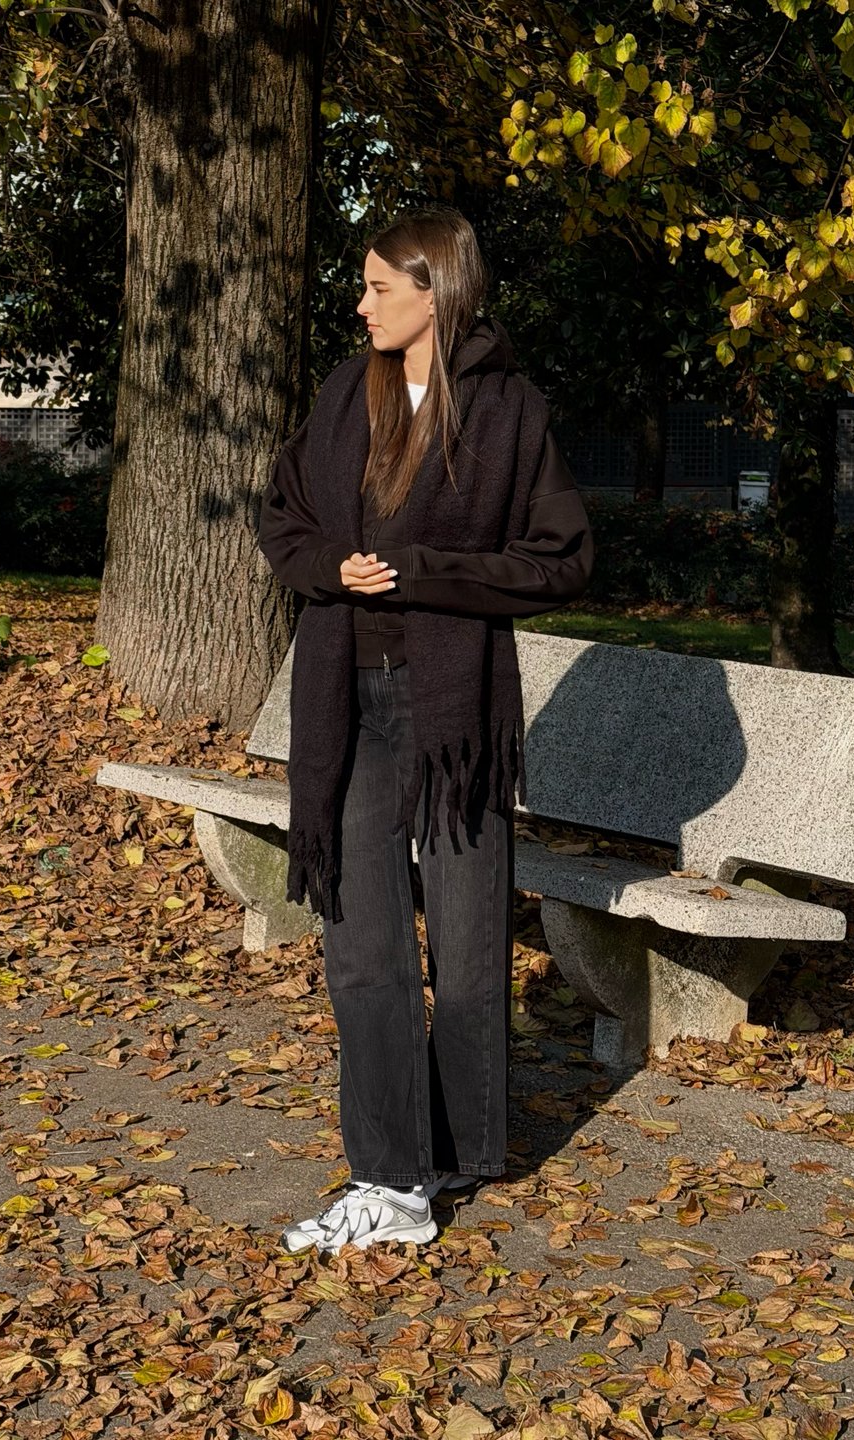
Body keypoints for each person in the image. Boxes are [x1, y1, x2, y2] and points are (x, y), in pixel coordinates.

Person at [257, 207, 593, 1257]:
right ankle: (389, 1177)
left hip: (454, 717)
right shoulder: (341, 395)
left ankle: (456, 1154)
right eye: (359, 287)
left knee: (465, 941)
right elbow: (285, 519)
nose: (358, 305)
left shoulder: (507, 411)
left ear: (434, 293)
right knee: (360, 944)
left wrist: (430, 574)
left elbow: (561, 558)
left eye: (375, 289)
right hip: (342, 702)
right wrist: (330, 569)